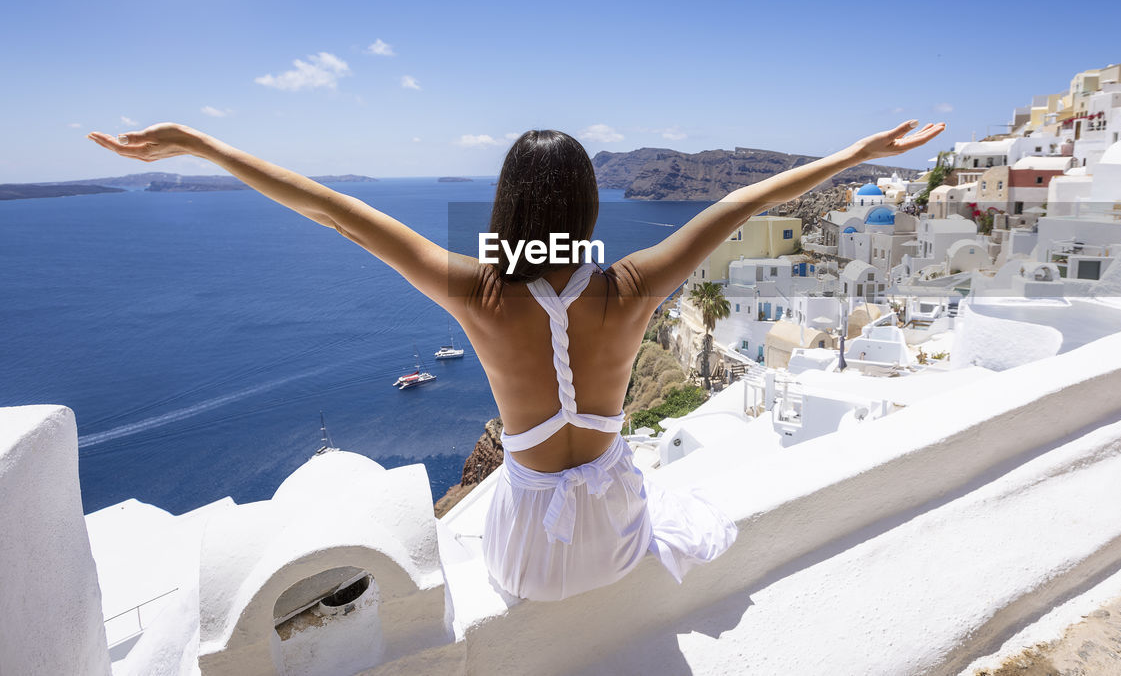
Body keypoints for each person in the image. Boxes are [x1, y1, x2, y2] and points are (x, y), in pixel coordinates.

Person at [86, 118, 945, 601]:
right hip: (615, 540)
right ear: (587, 204)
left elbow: (336, 211)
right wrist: (861, 156)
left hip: (528, 559)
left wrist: (205, 147)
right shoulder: (633, 287)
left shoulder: (477, 294)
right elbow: (746, 198)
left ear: (507, 205)